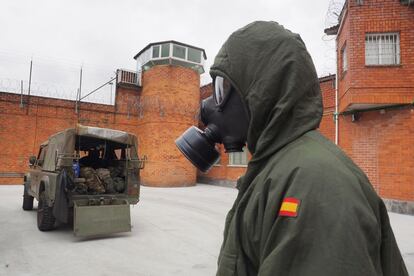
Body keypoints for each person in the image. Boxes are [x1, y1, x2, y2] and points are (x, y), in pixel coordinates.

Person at [176, 21, 407, 275]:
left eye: (222, 88)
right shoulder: (277, 169)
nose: (212, 105)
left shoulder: (313, 183)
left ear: (262, 89)